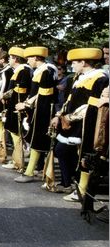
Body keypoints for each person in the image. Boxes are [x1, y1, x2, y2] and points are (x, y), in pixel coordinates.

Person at [49, 48, 108, 200]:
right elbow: (69, 100)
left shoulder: (100, 78)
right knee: (62, 150)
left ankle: (81, 191)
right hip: (71, 122)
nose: (72, 65)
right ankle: (69, 183)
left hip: (87, 123)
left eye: (75, 62)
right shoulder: (79, 77)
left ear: (83, 62)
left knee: (84, 156)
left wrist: (71, 117)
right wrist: (59, 115)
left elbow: (94, 105)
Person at [14, 46, 58, 183]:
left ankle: (30, 172)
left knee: (38, 139)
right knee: (35, 139)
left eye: (29, 58)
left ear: (37, 58)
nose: (27, 61)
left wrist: (25, 105)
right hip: (37, 108)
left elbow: (44, 95)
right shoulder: (40, 70)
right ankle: (36, 169)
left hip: (43, 110)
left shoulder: (47, 71)